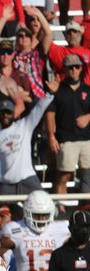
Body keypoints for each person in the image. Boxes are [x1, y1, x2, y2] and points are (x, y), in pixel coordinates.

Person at [0, 190, 71, 271]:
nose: (41, 219)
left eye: (45, 215)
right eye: (37, 215)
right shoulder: (15, 229)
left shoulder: (62, 229)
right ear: (27, 213)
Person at [46, 55, 90, 194]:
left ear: (81, 68)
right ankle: (61, 205)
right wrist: (51, 136)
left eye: (77, 66)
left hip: (87, 140)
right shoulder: (57, 90)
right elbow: (50, 114)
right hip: (66, 140)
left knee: (87, 176)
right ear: (65, 69)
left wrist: (88, 117)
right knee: (64, 176)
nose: (74, 70)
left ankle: (85, 204)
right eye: (70, 67)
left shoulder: (88, 89)